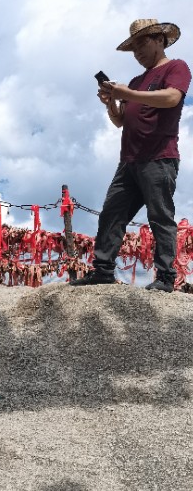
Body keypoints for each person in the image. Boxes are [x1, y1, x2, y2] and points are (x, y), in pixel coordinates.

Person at [72, 19, 191, 293]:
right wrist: (112, 102)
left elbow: (172, 98)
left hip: (159, 156)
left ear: (160, 40)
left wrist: (126, 92)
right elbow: (120, 121)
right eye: (133, 47)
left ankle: (165, 277)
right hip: (128, 160)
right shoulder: (137, 81)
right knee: (111, 214)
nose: (137, 52)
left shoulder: (176, 67)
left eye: (142, 44)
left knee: (160, 216)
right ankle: (102, 271)